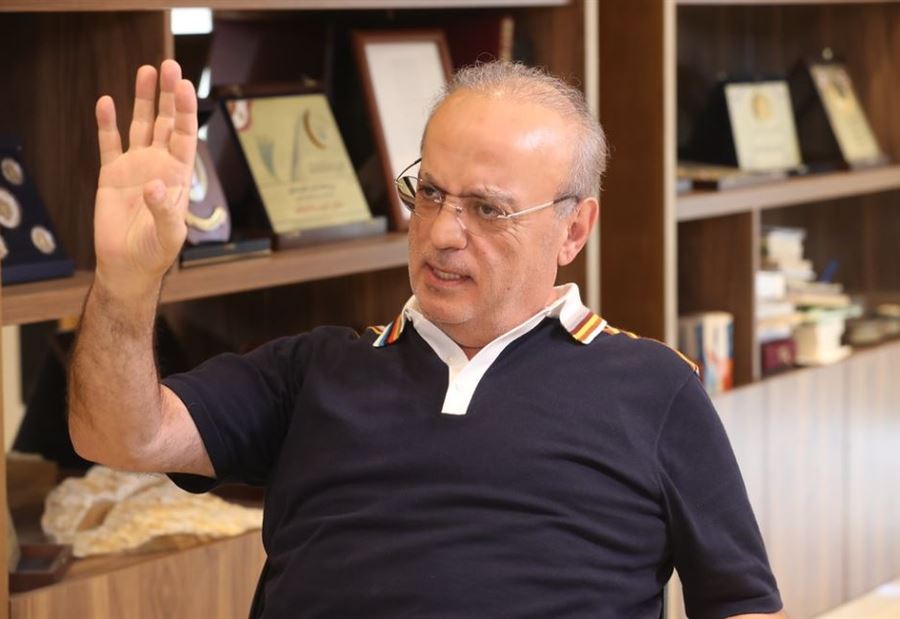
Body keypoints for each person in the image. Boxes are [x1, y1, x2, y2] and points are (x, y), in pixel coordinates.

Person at [68, 59, 786, 619]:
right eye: (432, 193)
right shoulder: (314, 370)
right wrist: (126, 282)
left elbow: (743, 604)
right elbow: (118, 435)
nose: (442, 232)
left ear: (574, 229)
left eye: (488, 210)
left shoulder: (654, 388)